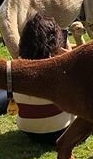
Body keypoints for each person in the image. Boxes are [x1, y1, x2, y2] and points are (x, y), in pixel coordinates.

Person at [14, 14, 74, 145]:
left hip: (28, 131)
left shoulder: (17, 66)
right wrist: (71, 56)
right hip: (61, 130)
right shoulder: (61, 68)